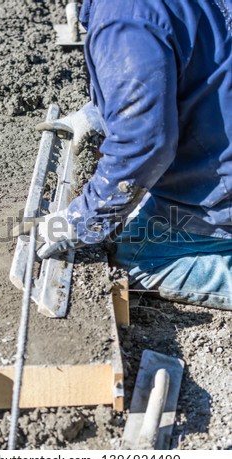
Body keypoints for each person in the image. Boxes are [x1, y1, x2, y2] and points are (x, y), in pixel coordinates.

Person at [22, 0, 232, 310]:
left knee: (134, 254)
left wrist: (82, 220)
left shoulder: (123, 17)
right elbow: (192, 53)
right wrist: (100, 114)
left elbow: (143, 144)